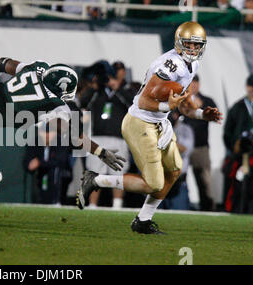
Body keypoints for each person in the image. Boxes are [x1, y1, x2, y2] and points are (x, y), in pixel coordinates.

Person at [77, 21, 223, 234]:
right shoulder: (171, 65)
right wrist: (167, 106)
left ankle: (143, 220)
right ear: (179, 43)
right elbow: (144, 101)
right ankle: (96, 179)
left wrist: (201, 114)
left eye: (196, 45)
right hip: (140, 121)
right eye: (188, 44)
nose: (193, 49)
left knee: (174, 170)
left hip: (159, 121)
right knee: (154, 183)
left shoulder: (192, 65)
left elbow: (183, 103)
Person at [79, 61, 133, 209]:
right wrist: (96, 86)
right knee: (96, 171)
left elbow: (134, 106)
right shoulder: (98, 92)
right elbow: (83, 103)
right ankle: (93, 204)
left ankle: (117, 204)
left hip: (118, 138)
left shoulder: (127, 90)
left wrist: (118, 88)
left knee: (118, 171)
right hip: (98, 137)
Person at [222, 74, 253, 213]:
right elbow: (227, 132)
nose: (252, 89)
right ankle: (234, 208)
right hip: (239, 156)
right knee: (234, 181)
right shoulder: (237, 107)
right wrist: (234, 145)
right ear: (247, 87)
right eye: (250, 86)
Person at [183, 75, 217, 211]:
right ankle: (180, 206)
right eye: (191, 83)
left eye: (196, 83)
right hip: (183, 147)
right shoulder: (181, 100)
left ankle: (208, 209)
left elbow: (216, 116)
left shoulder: (206, 100)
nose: (194, 86)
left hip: (200, 147)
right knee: (179, 179)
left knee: (204, 181)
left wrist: (202, 107)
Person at [23, 126, 73, 205]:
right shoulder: (35, 142)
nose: (47, 135)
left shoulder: (61, 142)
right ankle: (37, 200)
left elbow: (60, 161)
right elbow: (27, 161)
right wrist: (31, 164)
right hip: (40, 176)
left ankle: (56, 201)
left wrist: (39, 163)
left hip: (60, 175)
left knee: (55, 170)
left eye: (50, 133)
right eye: (44, 132)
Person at [160, 110, 194, 210]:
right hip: (160, 180)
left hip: (178, 181)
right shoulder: (158, 127)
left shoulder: (185, 129)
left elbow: (185, 149)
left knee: (180, 214)